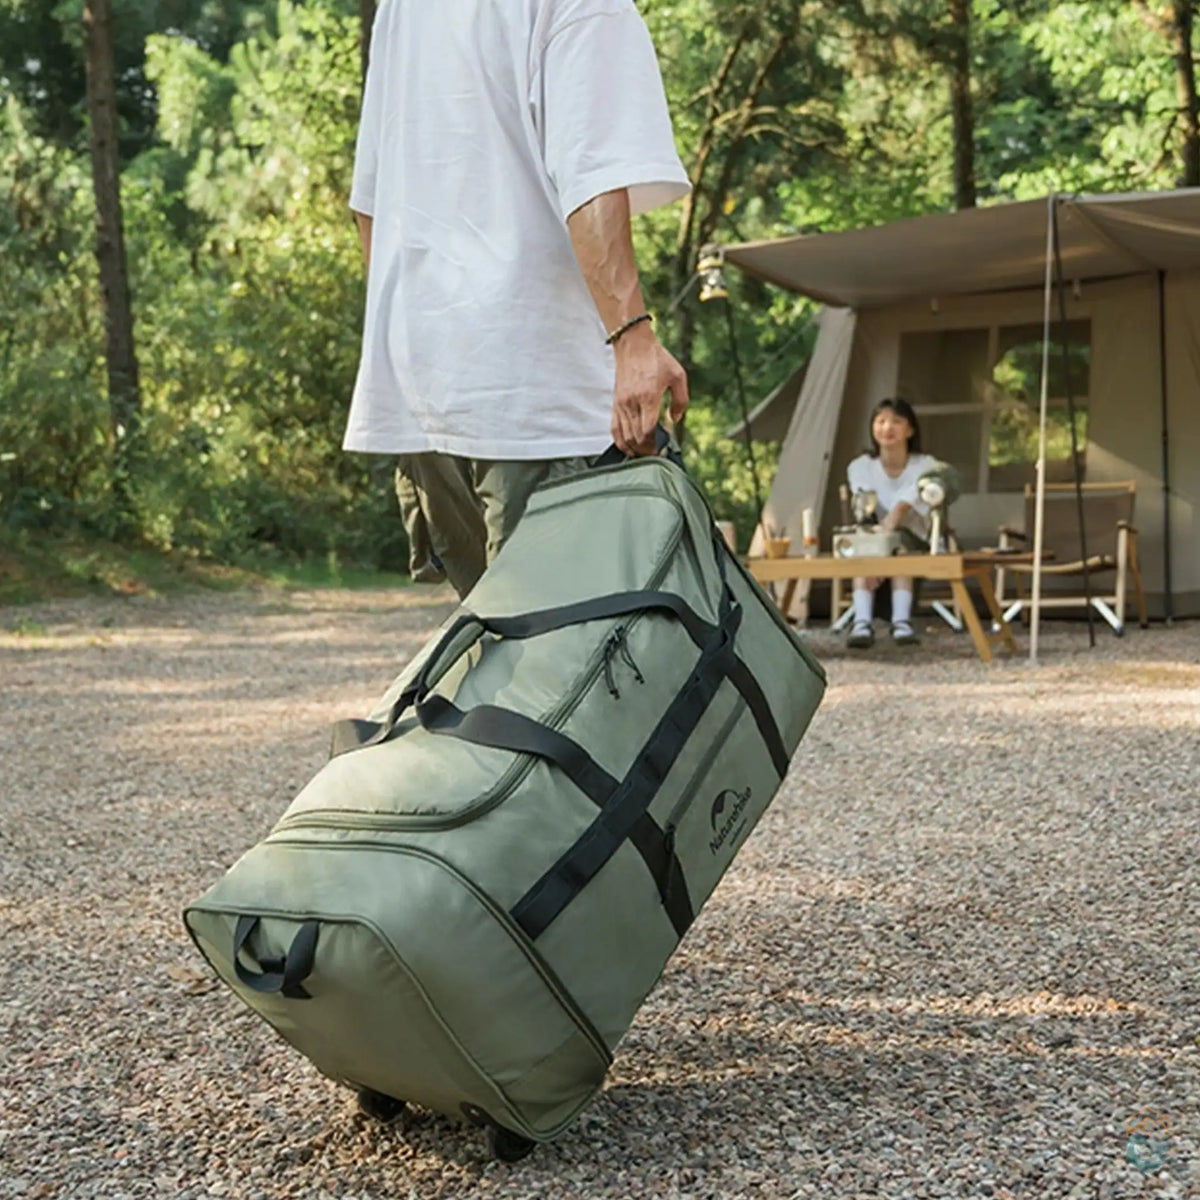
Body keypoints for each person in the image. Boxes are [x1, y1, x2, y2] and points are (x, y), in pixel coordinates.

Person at [346, 0, 691, 598]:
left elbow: (369, 204)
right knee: (563, 658)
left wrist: (404, 354)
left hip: (424, 387)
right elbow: (594, 176)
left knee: (502, 651)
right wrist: (634, 339)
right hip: (535, 395)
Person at [844, 398, 939, 649]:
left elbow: (905, 505)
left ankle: (901, 622)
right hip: (873, 534)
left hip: (913, 536)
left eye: (896, 421)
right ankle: (862, 622)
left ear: (910, 429)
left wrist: (885, 542)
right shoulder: (860, 466)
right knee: (864, 549)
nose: (888, 427)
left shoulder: (925, 465)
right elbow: (864, 508)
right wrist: (877, 546)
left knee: (899, 549)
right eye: (881, 421)